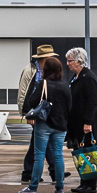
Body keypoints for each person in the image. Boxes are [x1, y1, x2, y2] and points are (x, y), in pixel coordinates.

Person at [20, 55, 71, 193]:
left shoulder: (43, 84)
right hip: (60, 126)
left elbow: (31, 101)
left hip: (44, 124)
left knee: (39, 156)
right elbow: (69, 106)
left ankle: (33, 186)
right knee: (58, 155)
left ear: (46, 69)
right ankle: (60, 187)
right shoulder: (65, 85)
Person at [65, 47, 97, 193]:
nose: (67, 63)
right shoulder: (77, 77)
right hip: (78, 123)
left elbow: (92, 102)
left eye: (70, 61)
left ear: (79, 61)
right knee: (82, 152)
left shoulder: (88, 77)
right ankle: (85, 182)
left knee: (89, 152)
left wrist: (88, 122)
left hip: (88, 124)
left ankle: (90, 184)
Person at [18, 44, 59, 183]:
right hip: (35, 112)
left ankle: (28, 173)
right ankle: (54, 171)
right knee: (45, 140)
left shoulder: (48, 71)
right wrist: (27, 113)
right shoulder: (30, 71)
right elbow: (24, 93)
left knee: (37, 142)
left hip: (46, 112)